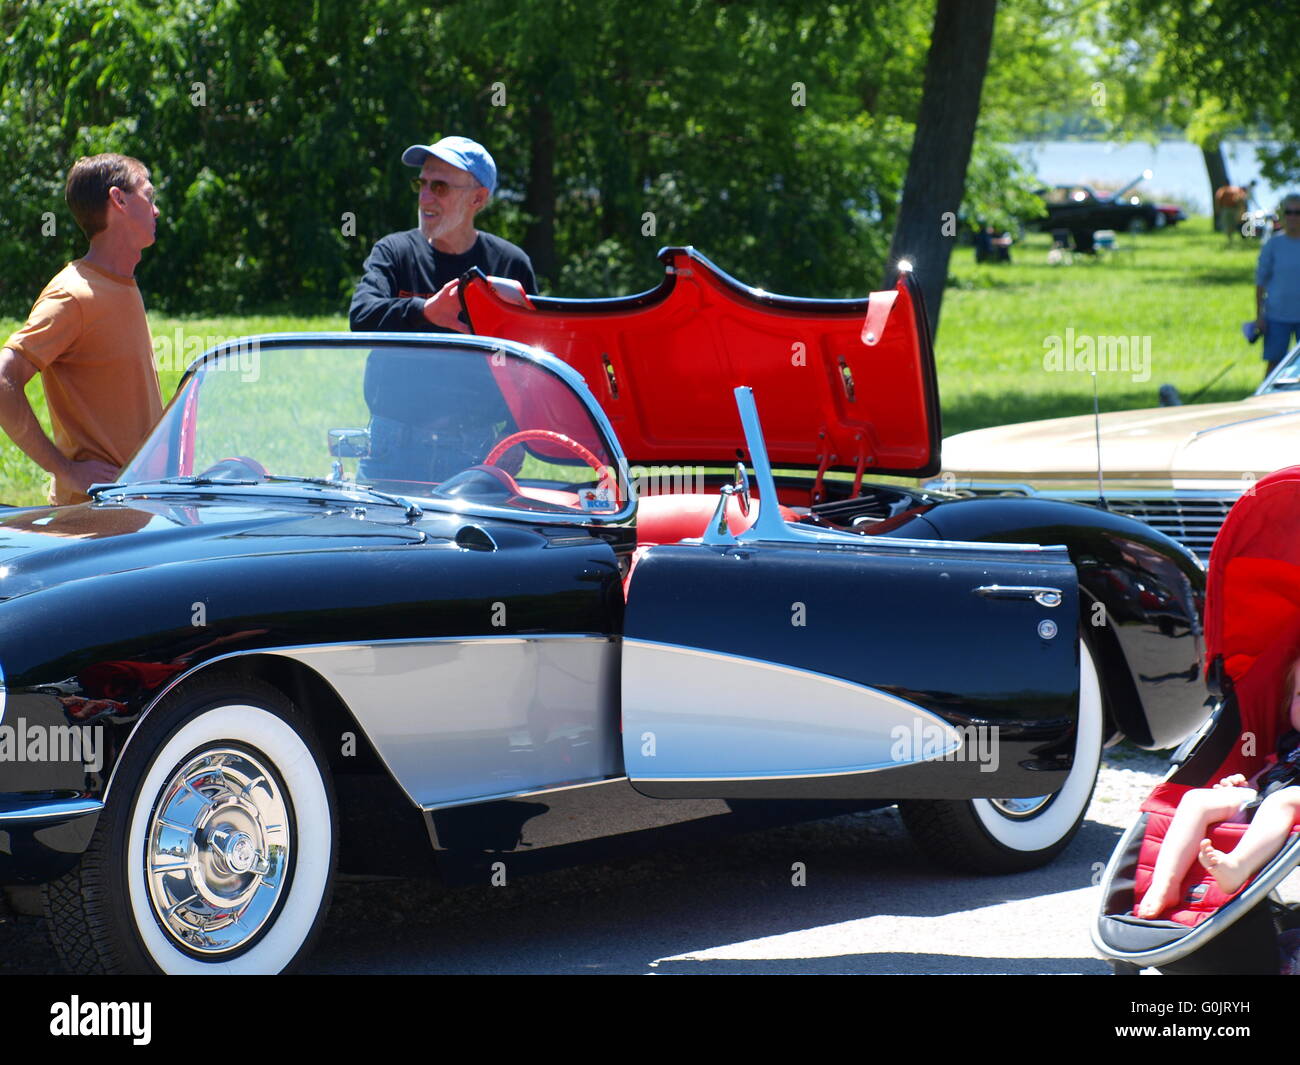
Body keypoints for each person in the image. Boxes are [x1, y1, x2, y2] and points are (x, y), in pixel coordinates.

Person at [0, 154, 163, 506]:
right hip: (95, 523)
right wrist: (66, 471)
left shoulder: (122, 282)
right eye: (148, 197)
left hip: (138, 510)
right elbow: (3, 381)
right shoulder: (72, 294)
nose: (156, 210)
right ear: (118, 200)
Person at [1136, 656, 1300, 918]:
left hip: (1290, 803)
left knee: (1285, 799)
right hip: (1266, 802)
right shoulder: (1289, 744)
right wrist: (1243, 785)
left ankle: (1237, 866)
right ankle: (1165, 884)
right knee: (1195, 800)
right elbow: (1271, 776)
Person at [348, 136, 536, 333]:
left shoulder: (510, 264)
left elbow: (532, 345)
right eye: (421, 184)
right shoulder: (394, 252)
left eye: (440, 187)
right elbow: (361, 317)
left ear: (478, 198)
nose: (425, 198)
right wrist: (424, 311)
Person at [1254, 193, 1300, 378]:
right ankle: (1265, 403)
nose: (1293, 217)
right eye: (1289, 212)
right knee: (1274, 364)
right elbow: (1260, 282)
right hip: (1276, 316)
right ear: (1282, 214)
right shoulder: (1273, 244)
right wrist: (1259, 316)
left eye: (1298, 212)